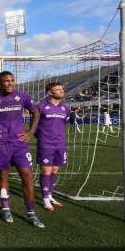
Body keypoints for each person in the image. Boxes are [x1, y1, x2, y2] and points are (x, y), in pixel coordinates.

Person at [0, 70, 45, 228]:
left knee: (27, 177)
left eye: (12, 80)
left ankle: (31, 213)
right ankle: (5, 208)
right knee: (3, 176)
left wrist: (31, 132)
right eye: (5, 81)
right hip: (0, 144)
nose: (9, 83)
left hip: (20, 144)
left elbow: (35, 111)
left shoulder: (22, 96)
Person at [35, 82, 71, 211]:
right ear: (50, 92)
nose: (62, 91)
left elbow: (63, 124)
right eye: (58, 89)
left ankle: (50, 195)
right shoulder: (40, 107)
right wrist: (43, 138)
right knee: (46, 171)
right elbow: (34, 126)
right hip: (45, 144)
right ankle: (45, 199)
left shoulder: (66, 109)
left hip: (60, 144)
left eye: (62, 89)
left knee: (55, 170)